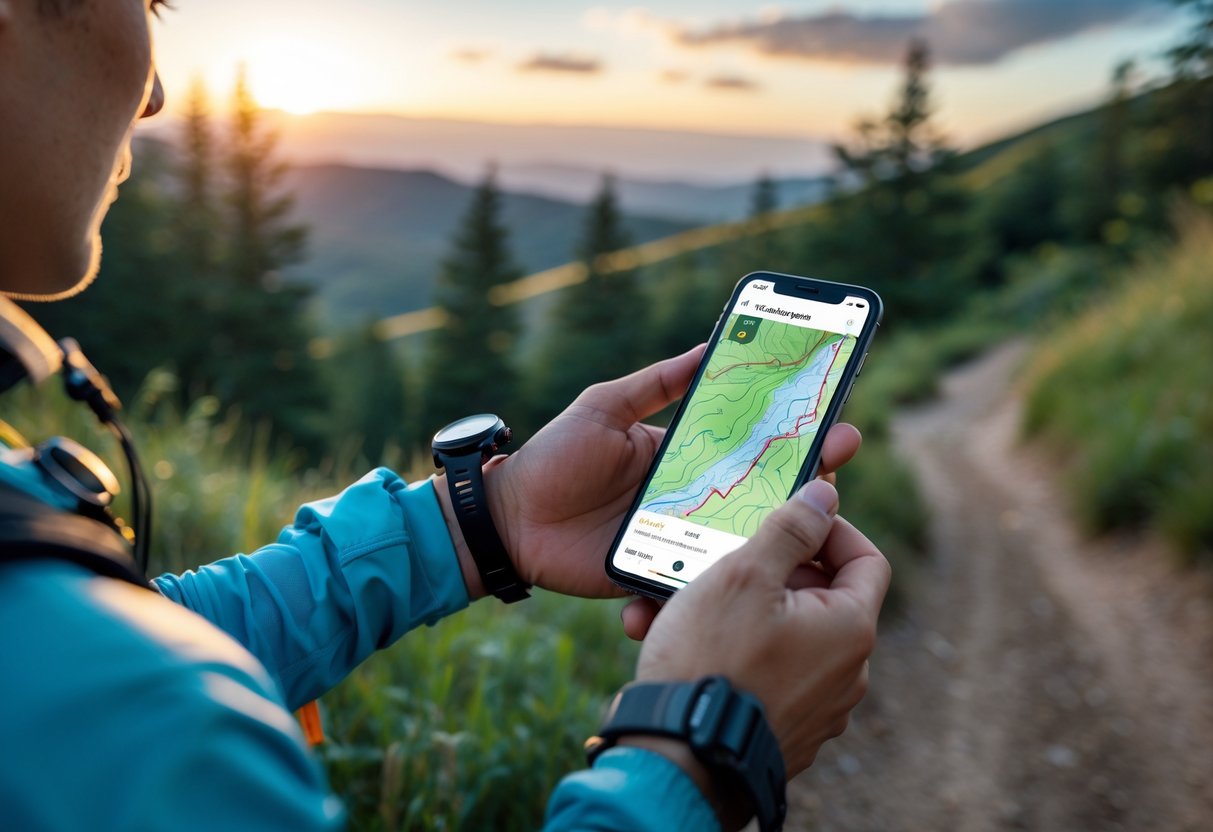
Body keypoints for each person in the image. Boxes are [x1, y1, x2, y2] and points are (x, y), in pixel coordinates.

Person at [0, 2, 891, 830]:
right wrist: (698, 757)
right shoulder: (128, 713)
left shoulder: (81, 676)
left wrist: (483, 520)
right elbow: (110, 675)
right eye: (150, 2)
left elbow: (137, 633)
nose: (154, 91)